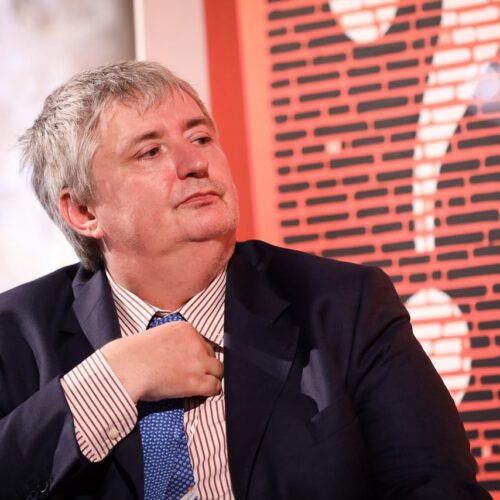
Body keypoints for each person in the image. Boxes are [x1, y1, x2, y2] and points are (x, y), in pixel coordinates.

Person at [0, 60, 490, 500]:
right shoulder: (16, 336)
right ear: (83, 211)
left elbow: (439, 487)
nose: (195, 164)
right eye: (150, 151)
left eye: (200, 138)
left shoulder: (344, 308)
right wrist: (112, 379)